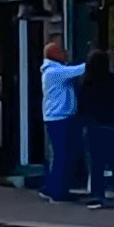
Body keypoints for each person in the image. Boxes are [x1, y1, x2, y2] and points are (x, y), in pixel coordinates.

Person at [78, 47, 114, 209]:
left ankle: (97, 196)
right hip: (112, 125)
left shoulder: (87, 83)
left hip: (93, 125)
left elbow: (81, 105)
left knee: (96, 163)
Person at [39, 40, 86, 203]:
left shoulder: (52, 71)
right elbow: (80, 70)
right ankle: (57, 192)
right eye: (61, 50)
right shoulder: (55, 71)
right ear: (54, 54)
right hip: (60, 118)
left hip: (57, 118)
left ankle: (53, 188)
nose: (66, 52)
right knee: (62, 156)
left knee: (60, 155)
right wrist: (97, 59)